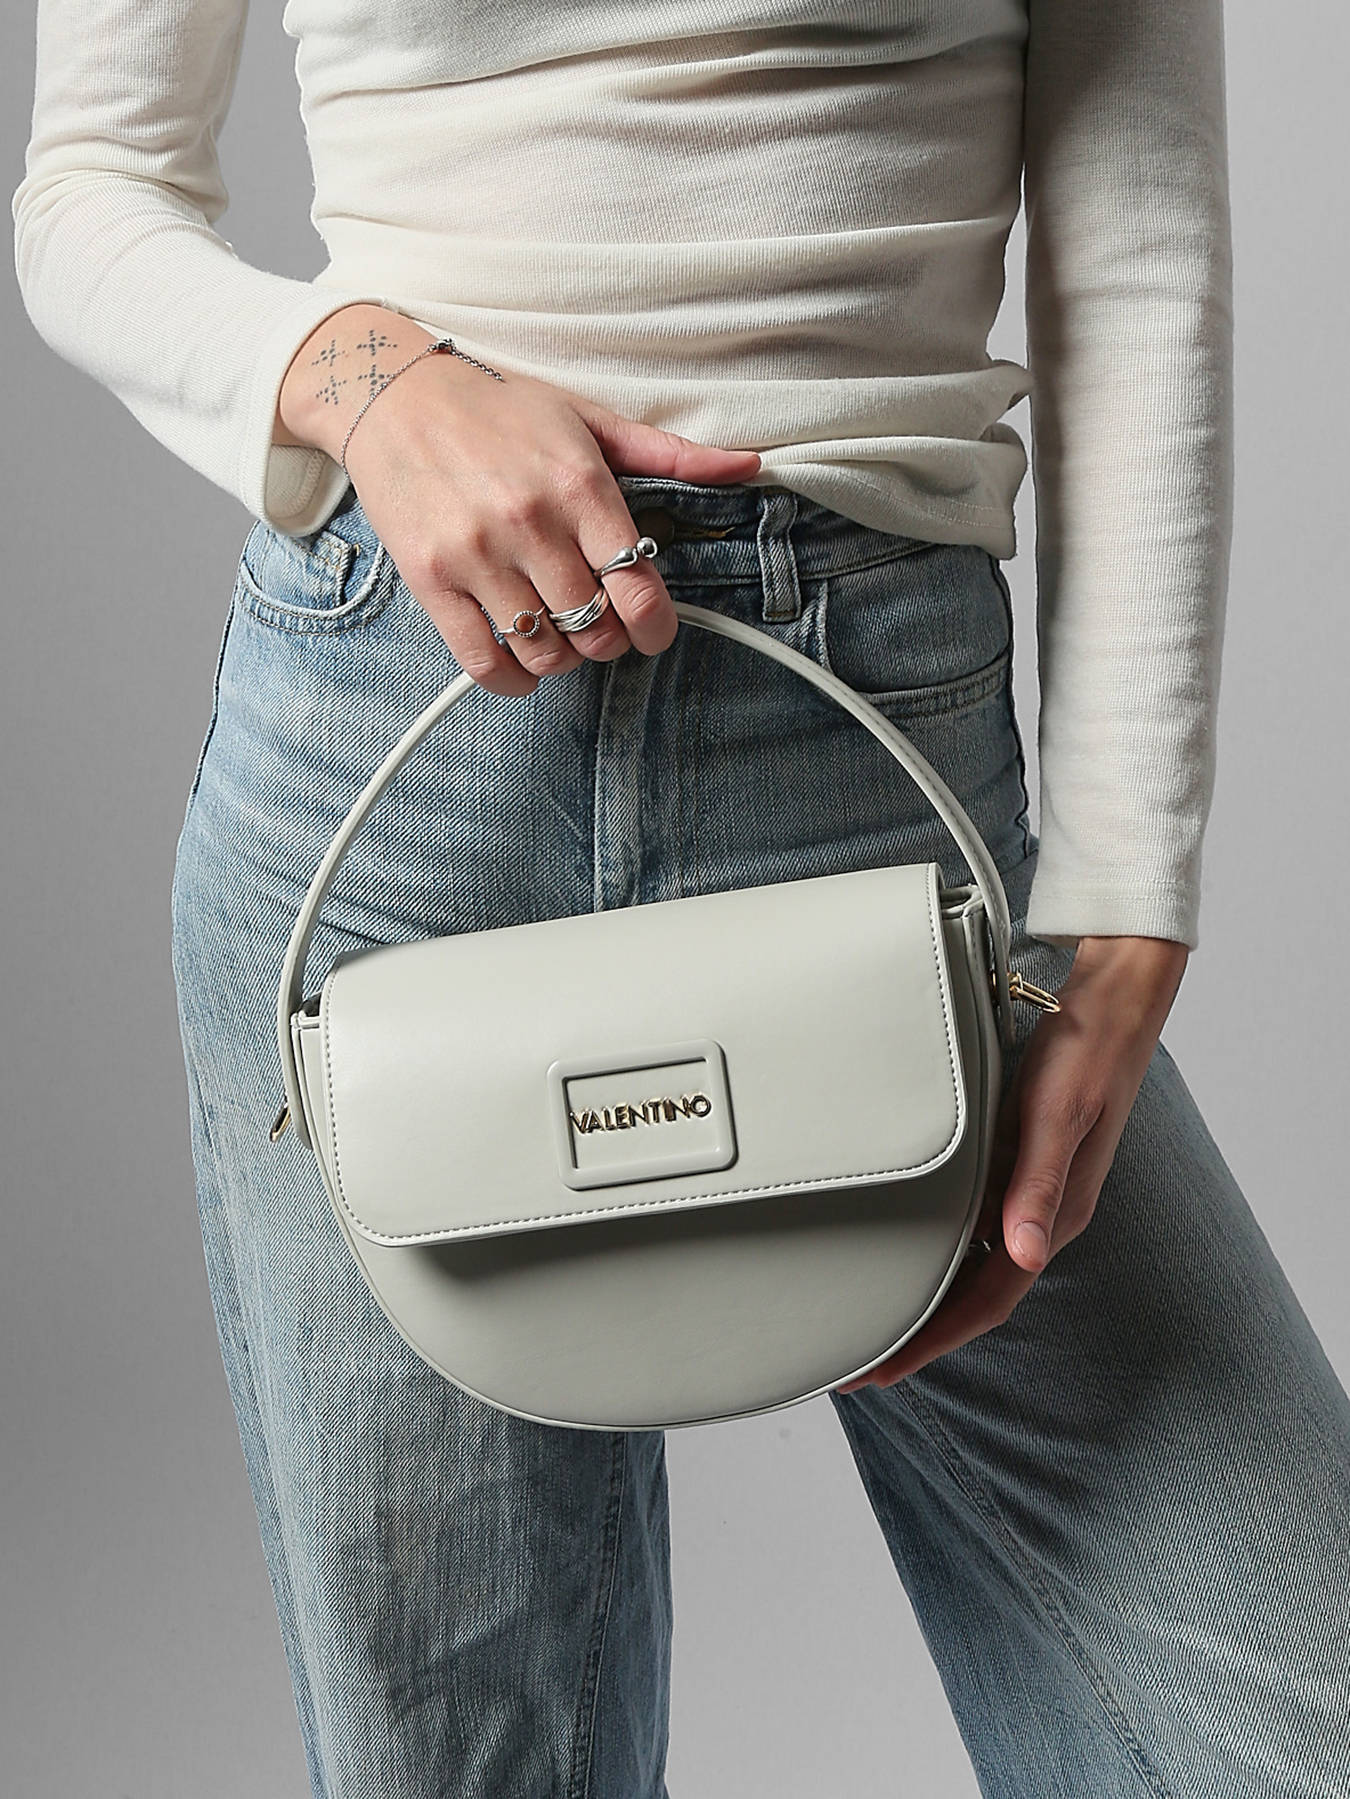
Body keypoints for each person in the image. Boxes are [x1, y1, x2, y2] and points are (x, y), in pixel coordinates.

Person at [13, 1, 1350, 1794]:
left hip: (872, 750)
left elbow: (1139, 238)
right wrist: (365, 379)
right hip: (401, 774)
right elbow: (88, 194)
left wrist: (1125, 897)